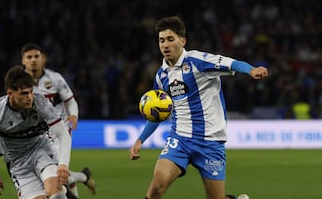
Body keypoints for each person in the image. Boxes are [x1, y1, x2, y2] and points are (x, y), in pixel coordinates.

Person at [129, 16, 268, 199]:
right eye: (162, 40)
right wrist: (140, 140)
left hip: (210, 141)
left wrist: (251, 70)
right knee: (156, 186)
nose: (165, 45)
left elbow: (231, 63)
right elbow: (157, 112)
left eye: (170, 39)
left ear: (182, 41)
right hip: (180, 139)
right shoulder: (161, 75)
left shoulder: (199, 61)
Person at [20, 43, 97, 198]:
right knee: (59, 174)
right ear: (23, 61)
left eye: (36, 56)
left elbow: (70, 100)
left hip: (58, 129)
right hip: (36, 133)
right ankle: (84, 176)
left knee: (57, 174)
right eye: (29, 57)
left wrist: (74, 115)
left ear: (42, 59)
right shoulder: (20, 83)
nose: (33, 60)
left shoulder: (54, 78)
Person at [0, 65, 71, 199]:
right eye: (24, 93)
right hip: (17, 162)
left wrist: (63, 164)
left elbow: (62, 134)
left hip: (42, 150)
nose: (30, 97)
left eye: (31, 91)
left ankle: (62, 191)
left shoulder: (41, 103)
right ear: (10, 93)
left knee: (57, 194)